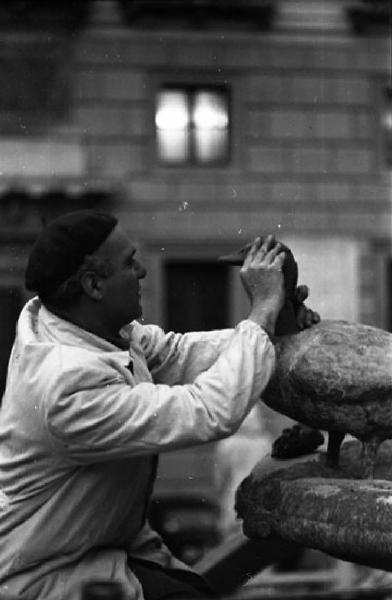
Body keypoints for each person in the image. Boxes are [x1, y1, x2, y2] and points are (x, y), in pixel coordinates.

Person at [0, 210, 318, 600]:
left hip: (98, 548)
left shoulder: (92, 329)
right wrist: (263, 310)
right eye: (129, 263)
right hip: (45, 572)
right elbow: (208, 411)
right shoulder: (67, 386)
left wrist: (273, 327)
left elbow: (180, 353)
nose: (143, 271)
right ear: (93, 285)